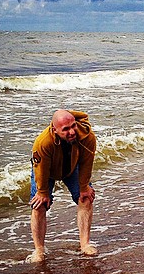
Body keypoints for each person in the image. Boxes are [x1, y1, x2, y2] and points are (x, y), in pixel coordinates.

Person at [28, 109, 97, 262]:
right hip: (47, 170)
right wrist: (42, 192)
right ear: (55, 130)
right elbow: (40, 169)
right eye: (65, 129)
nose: (71, 132)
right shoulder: (43, 142)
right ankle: (39, 250)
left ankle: (85, 244)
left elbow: (87, 163)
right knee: (39, 204)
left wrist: (84, 187)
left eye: (73, 126)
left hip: (72, 166)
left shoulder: (87, 135)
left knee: (86, 197)